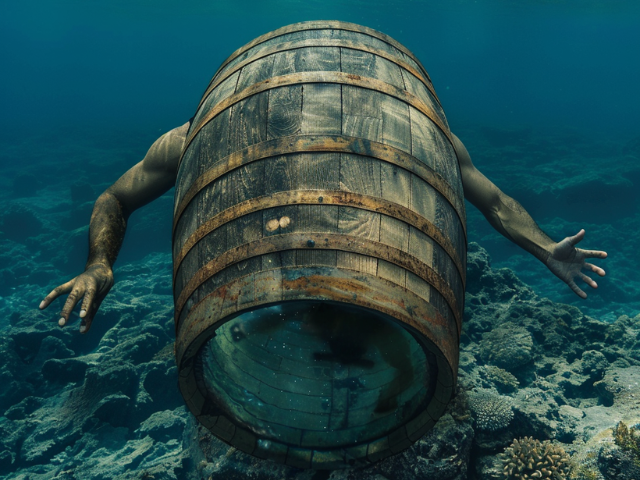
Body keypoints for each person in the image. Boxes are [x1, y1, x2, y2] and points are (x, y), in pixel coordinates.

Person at [38, 122, 607, 333]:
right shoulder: (198, 138)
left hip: (368, 281)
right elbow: (114, 196)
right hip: (256, 285)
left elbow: (493, 199)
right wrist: (98, 264)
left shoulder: (411, 134)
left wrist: (542, 249)